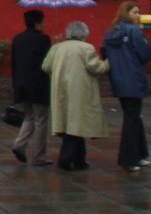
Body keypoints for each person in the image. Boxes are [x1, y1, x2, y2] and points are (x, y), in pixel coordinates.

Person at [41, 21, 110, 171]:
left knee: (71, 124)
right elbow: (96, 67)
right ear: (84, 34)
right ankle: (66, 159)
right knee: (77, 124)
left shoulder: (56, 47)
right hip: (79, 91)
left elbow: (46, 66)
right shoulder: (86, 48)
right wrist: (108, 62)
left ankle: (80, 160)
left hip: (60, 90)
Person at [101, 0, 151, 172]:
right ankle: (129, 158)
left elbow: (104, 51)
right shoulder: (134, 31)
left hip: (118, 79)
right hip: (134, 78)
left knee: (133, 116)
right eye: (135, 12)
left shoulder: (110, 33)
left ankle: (140, 153)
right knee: (132, 118)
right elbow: (145, 54)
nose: (138, 16)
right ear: (127, 14)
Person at [10, 9, 53, 166]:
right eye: (43, 21)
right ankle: (39, 156)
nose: (45, 24)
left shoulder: (18, 39)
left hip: (21, 84)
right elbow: (48, 62)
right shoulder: (43, 40)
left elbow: (13, 64)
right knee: (41, 120)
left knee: (29, 117)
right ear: (37, 23)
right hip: (38, 84)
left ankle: (19, 145)